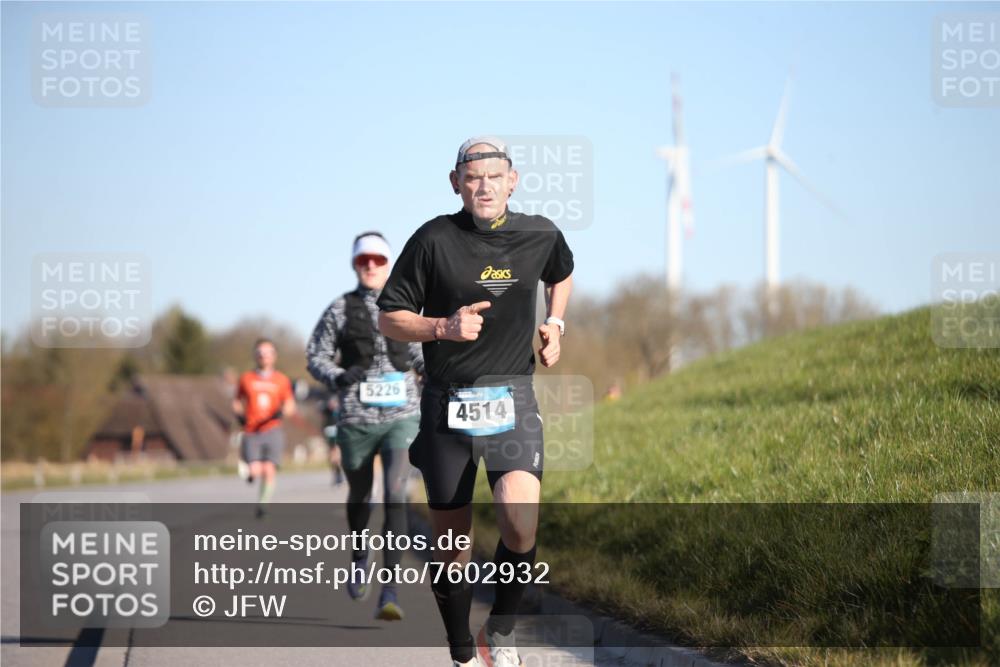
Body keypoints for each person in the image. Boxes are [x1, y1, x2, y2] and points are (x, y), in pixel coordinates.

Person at [377, 137, 574, 667]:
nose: (483, 186)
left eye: (493, 176)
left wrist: (554, 324)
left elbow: (562, 273)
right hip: (447, 403)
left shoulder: (540, 234)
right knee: (452, 543)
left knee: (520, 519)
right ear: (455, 183)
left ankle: (501, 631)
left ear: (513, 180)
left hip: (513, 394)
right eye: (472, 177)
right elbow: (389, 315)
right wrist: (442, 326)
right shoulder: (433, 240)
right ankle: (461, 647)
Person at [307, 231, 425, 621]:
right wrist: (339, 377)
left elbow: (425, 354)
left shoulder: (409, 306)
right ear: (355, 265)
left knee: (395, 493)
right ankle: (360, 554)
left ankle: (390, 589)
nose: (370, 266)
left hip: (401, 417)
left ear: (388, 263)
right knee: (360, 495)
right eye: (363, 261)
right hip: (356, 420)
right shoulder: (339, 309)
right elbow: (316, 356)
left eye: (377, 260)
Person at [233, 338, 297, 519]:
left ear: (274, 356)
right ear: (255, 356)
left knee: (269, 469)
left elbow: (290, 404)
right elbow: (236, 401)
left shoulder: (282, 380)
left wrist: (283, 412)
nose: (263, 356)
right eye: (260, 353)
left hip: (273, 429)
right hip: (252, 430)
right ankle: (249, 472)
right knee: (254, 470)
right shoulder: (246, 378)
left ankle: (263, 504)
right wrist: (239, 415)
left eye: (267, 353)